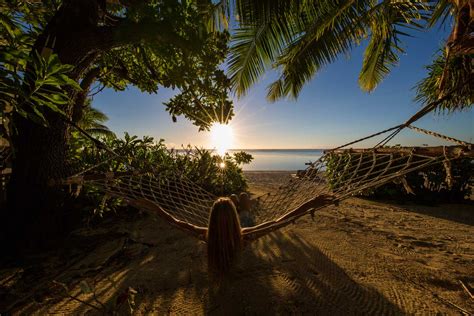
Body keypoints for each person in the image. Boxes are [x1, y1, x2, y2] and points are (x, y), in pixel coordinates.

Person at [132, 194, 333, 278]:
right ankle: (239, 202)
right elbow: (281, 220)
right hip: (242, 237)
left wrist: (149, 204)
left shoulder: (205, 234)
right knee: (241, 199)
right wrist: (312, 202)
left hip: (231, 241)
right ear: (234, 217)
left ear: (211, 219)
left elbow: (171, 219)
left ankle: (235, 201)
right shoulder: (245, 236)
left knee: (233, 199)